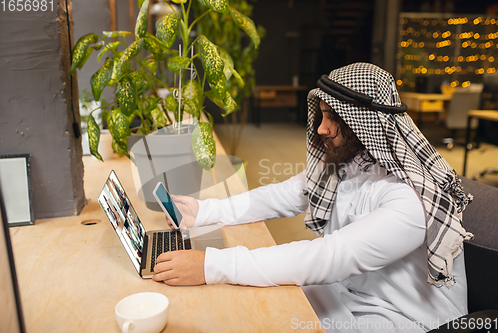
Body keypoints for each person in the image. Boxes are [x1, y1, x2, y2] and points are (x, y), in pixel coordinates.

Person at [152, 63, 473, 332]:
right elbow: (281, 195)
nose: (321, 129)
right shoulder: (351, 163)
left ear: (365, 123)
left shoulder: (409, 200)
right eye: (321, 115)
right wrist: (204, 211)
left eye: (333, 117)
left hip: (405, 318)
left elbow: (331, 256)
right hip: (347, 291)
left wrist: (213, 265)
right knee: (250, 304)